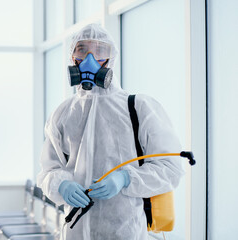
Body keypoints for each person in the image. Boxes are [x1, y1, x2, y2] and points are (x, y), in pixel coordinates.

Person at [37, 24, 185, 239]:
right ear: (72, 56)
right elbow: (47, 171)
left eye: (99, 50)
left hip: (125, 230)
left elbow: (170, 169)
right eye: (82, 49)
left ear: (111, 58)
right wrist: (62, 185)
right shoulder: (63, 113)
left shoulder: (138, 107)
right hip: (75, 230)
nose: (90, 58)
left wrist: (125, 178)